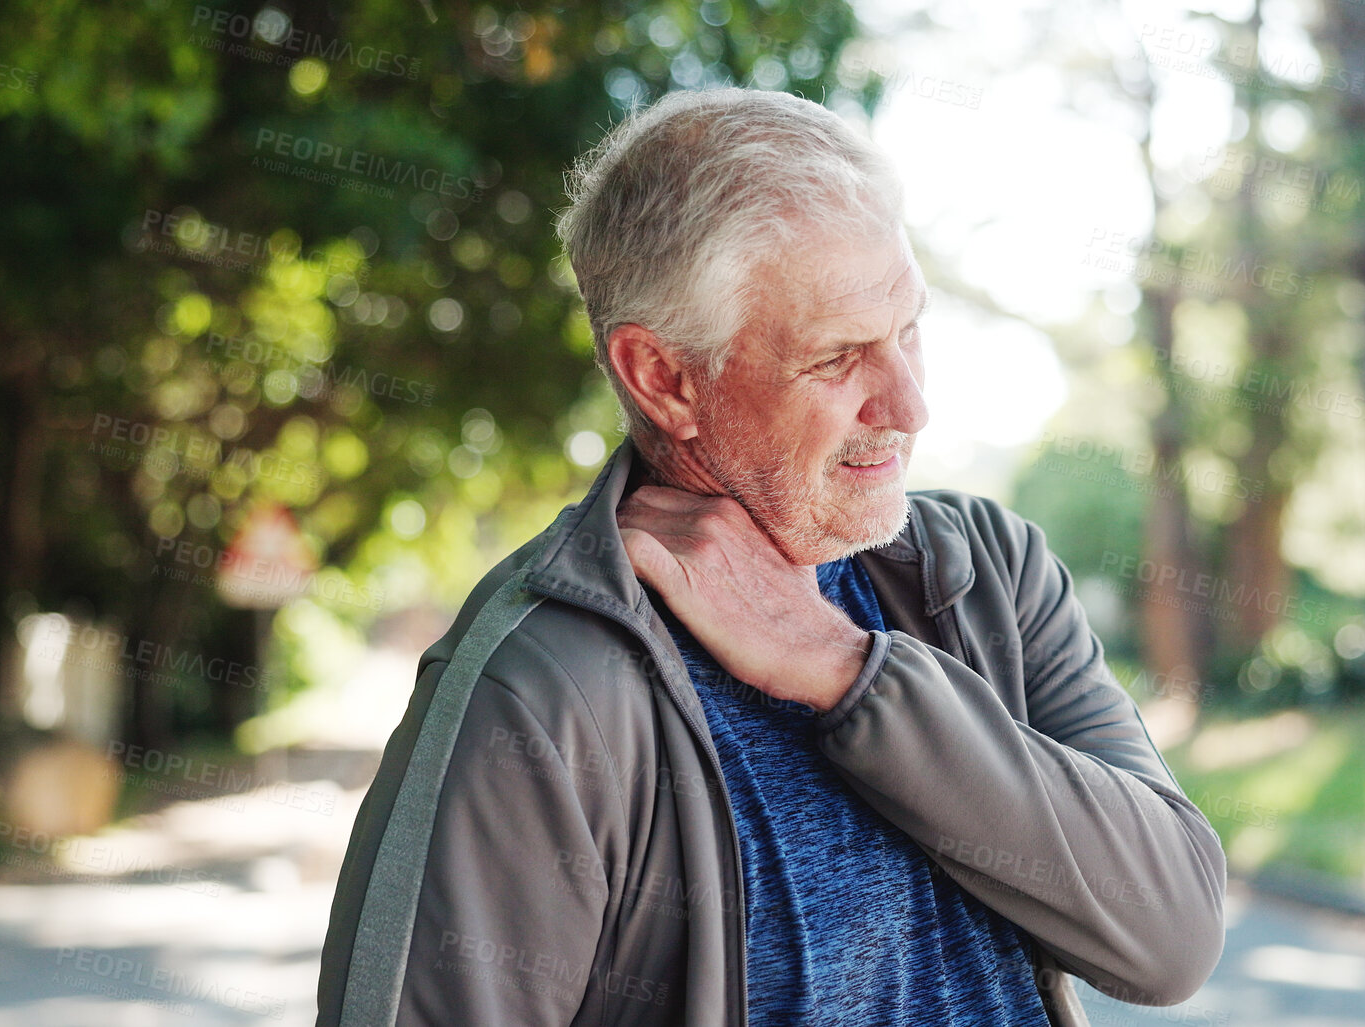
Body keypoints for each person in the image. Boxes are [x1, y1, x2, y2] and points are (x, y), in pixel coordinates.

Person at [317, 87, 1225, 1027]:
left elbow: (1172, 936)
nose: (909, 405)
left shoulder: (985, 573)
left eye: (908, 328)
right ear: (665, 377)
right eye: (837, 358)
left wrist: (843, 668)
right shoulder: (543, 686)